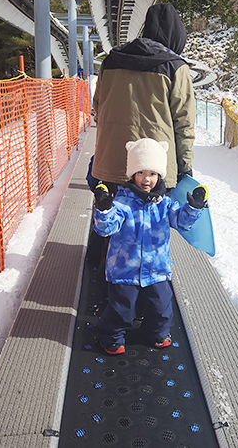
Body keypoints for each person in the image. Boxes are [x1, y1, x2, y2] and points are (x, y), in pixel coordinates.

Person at [92, 138, 207, 355]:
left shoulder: (164, 204)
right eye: (141, 172)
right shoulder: (122, 204)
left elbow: (181, 222)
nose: (147, 179)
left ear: (160, 176)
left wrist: (193, 208)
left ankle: (156, 332)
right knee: (122, 308)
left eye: (152, 173)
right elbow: (105, 229)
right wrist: (104, 209)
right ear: (132, 174)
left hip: (157, 270)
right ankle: (111, 336)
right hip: (125, 269)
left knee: (161, 305)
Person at [92, 2, 196, 190]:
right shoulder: (175, 68)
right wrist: (185, 167)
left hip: (111, 164)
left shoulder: (110, 62)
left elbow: (98, 107)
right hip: (154, 171)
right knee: (155, 219)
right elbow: (184, 124)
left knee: (111, 217)